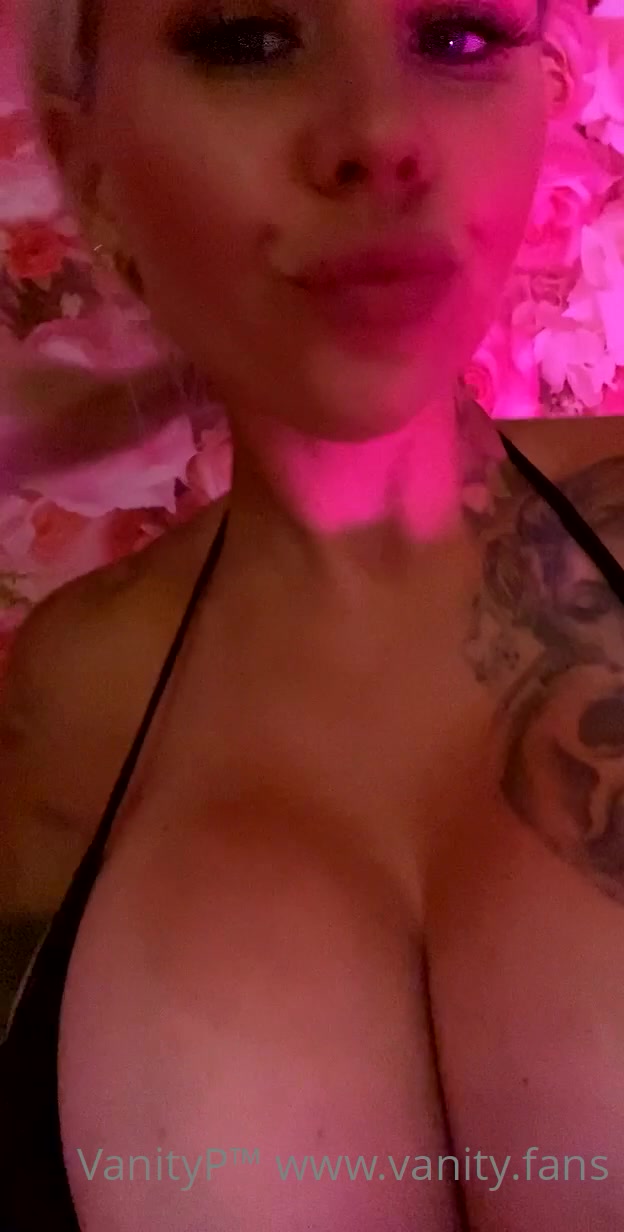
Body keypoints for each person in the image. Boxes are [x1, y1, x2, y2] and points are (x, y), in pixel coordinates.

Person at [2, 0, 624, 1228]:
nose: (381, 134)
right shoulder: (53, 710)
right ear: (91, 168)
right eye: (247, 38)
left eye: (459, 36)